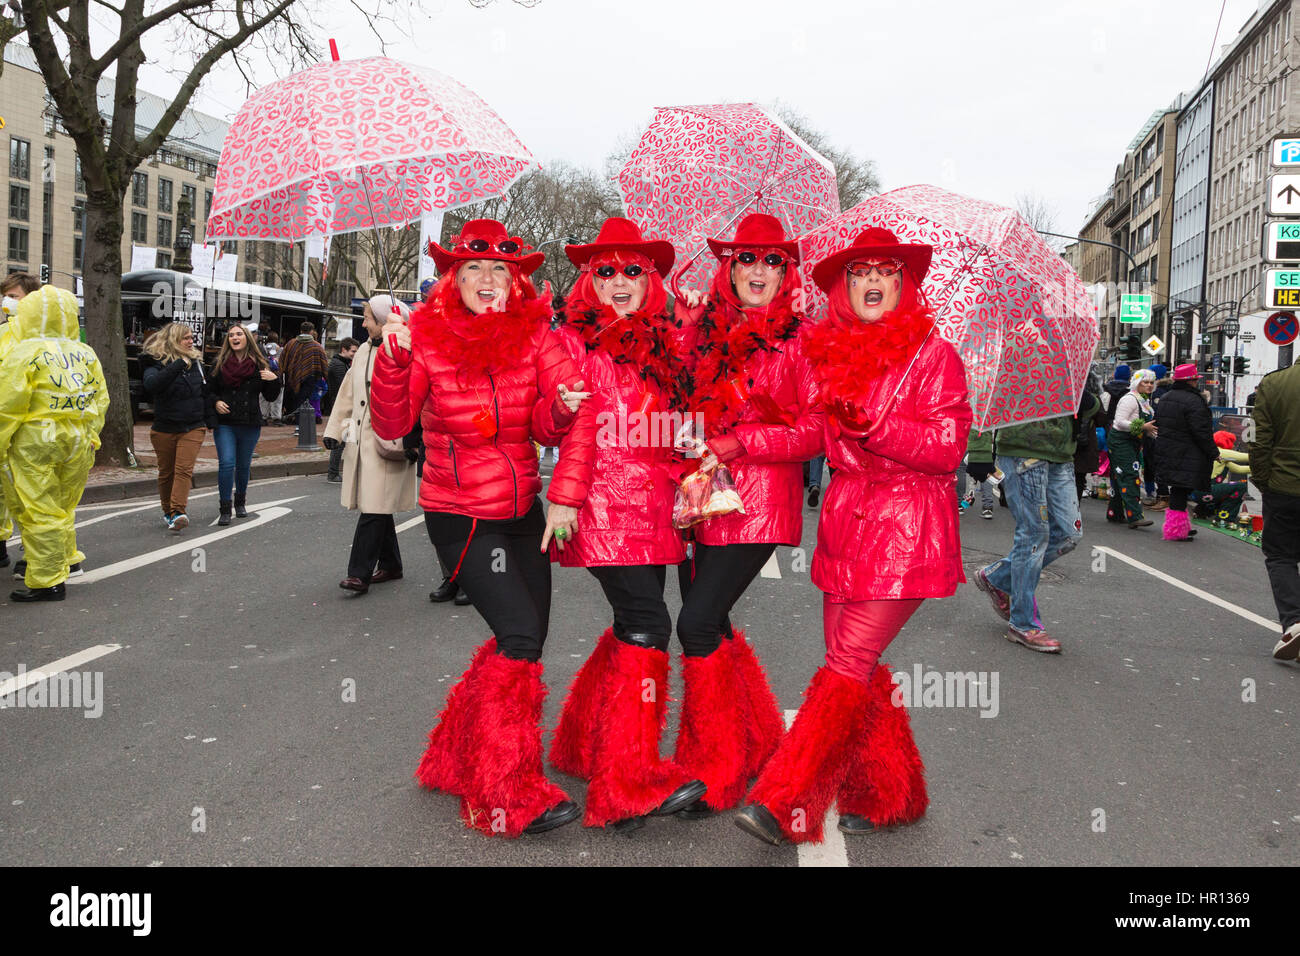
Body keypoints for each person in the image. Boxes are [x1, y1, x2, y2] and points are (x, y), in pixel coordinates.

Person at [734, 227, 970, 845]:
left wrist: (876, 430)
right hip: (843, 522)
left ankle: (786, 801)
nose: (872, 281)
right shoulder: (828, 353)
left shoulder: (933, 355)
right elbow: (809, 434)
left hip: (907, 528)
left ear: (903, 282)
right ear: (843, 286)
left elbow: (948, 450)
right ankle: (893, 794)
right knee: (855, 669)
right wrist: (741, 440)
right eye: (859, 271)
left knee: (847, 663)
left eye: (886, 270)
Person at [368, 219, 596, 838]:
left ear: (517, 280)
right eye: (473, 269)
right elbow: (392, 423)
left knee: (528, 642)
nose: (488, 281)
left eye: (501, 270)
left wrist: (559, 410)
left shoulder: (538, 338)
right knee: (519, 637)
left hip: (524, 512)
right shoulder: (424, 337)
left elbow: (552, 430)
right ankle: (505, 791)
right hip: (460, 513)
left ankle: (453, 754)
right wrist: (391, 362)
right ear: (454, 277)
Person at [540, 218, 707, 831]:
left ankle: (587, 746)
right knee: (647, 623)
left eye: (633, 270)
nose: (618, 281)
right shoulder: (568, 342)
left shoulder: (669, 337)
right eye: (604, 270)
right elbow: (562, 429)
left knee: (631, 624)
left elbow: (692, 405)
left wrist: (695, 318)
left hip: (658, 507)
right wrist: (564, 496)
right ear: (589, 278)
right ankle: (626, 783)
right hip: (604, 504)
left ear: (652, 279)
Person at [670, 213, 820, 819]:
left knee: (698, 625)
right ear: (727, 268)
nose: (758, 272)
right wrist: (683, 328)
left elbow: (816, 430)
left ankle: (718, 769)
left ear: (787, 272)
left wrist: (743, 442)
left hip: (757, 504)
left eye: (771, 261)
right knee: (716, 625)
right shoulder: (703, 327)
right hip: (700, 498)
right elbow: (676, 397)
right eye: (746, 260)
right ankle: (755, 740)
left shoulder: (804, 338)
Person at [969, 384, 1099, 653]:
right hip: (1022, 452)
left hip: (1061, 455)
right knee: (1033, 535)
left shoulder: (1068, 354)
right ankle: (1023, 623)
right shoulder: (1016, 349)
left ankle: (997, 577)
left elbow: (1094, 408)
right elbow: (983, 398)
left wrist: (1087, 399)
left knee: (1068, 535)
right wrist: (980, 450)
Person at [0, 286, 108, 601]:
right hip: (77, 438)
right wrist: (91, 436)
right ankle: (64, 563)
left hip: (36, 440)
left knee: (39, 510)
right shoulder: (85, 352)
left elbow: (8, 405)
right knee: (62, 506)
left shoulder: (25, 352)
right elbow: (99, 400)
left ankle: (47, 581)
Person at [323, 296, 420, 595]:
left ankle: (358, 574)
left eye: (367, 317)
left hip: (392, 438)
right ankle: (391, 564)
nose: (363, 323)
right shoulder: (363, 350)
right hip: (363, 440)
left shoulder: (405, 349)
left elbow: (417, 394)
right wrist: (335, 431)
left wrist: (413, 439)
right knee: (377, 503)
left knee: (374, 507)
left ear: (383, 320)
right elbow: (348, 394)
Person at [1248, 359, 1300, 661]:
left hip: (1284, 486)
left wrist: (1263, 479)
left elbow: (1257, 438)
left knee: (1281, 555)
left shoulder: (1274, 383)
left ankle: (1294, 622)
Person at [206, 325, 282, 526]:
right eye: (231, 335)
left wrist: (275, 379)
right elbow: (208, 390)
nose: (234, 337)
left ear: (247, 338)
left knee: (242, 466)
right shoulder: (218, 363)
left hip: (249, 422)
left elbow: (270, 396)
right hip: (226, 422)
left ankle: (240, 502)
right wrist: (215, 402)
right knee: (227, 463)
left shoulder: (259, 364)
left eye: (239, 334)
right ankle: (225, 507)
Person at [141, 322, 208, 531]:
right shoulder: (154, 362)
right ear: (173, 340)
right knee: (167, 472)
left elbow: (205, 390)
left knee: (183, 470)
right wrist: (178, 364)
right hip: (164, 427)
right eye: (186, 338)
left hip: (193, 425)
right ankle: (168, 512)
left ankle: (179, 511)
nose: (191, 341)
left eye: (191, 337)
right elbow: (153, 385)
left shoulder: (197, 362)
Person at [0, 271, 41, 572]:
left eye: (14, 296)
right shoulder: (4, 333)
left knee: (30, 495)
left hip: (29, 427)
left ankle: (35, 557)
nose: (7, 302)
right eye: (5, 296)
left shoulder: (41, 336)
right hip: (4, 424)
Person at [1154, 364, 1218, 542]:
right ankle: (1175, 530)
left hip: (1168, 450)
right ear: (1191, 381)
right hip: (1187, 452)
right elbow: (1202, 431)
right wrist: (1213, 452)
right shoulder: (1194, 401)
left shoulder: (1166, 397)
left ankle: (1180, 526)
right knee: (1180, 490)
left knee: (1178, 488)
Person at [1106, 368, 1157, 528]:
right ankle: (1134, 516)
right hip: (1121, 441)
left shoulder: (1143, 400)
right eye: (1145, 382)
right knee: (1130, 476)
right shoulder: (1129, 399)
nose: (1149, 385)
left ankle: (1115, 513)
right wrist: (1143, 426)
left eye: (1151, 382)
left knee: (1118, 475)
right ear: (1137, 383)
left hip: (1133, 442)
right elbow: (1120, 421)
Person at [279, 321, 328, 424]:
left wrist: (281, 372)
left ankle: (294, 418)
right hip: (310, 377)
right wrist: (326, 376)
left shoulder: (290, 343)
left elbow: (282, 360)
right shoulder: (317, 346)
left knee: (294, 397)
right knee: (303, 399)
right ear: (311, 331)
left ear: (301, 331)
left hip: (292, 376)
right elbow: (324, 363)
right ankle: (299, 420)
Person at [324, 337, 358, 481]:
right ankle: (333, 472)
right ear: (343, 349)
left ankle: (337, 471)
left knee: (347, 440)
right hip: (342, 408)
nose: (354, 354)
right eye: (352, 351)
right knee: (341, 441)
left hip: (343, 407)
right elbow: (344, 389)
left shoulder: (342, 363)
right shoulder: (338, 365)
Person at [259, 331, 284, 424]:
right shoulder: (280, 349)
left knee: (263, 397)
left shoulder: (263, 348)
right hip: (277, 375)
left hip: (265, 374)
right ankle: (276, 417)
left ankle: (263, 416)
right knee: (277, 397)